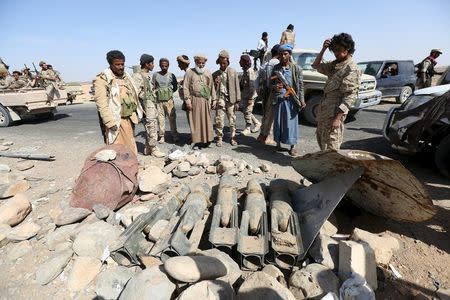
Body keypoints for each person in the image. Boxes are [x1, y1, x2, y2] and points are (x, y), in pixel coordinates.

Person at [312, 33, 360, 151]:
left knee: (332, 145)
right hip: (325, 109)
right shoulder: (335, 64)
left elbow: (349, 97)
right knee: (322, 140)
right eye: (334, 50)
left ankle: (332, 169)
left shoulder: (351, 68)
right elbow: (316, 65)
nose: (336, 53)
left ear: (347, 49)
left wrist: (338, 118)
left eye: (338, 50)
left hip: (335, 113)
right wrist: (323, 49)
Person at [94, 50, 143, 155]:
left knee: (130, 146)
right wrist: (109, 122)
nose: (121, 67)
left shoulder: (126, 77)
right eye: (117, 64)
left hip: (128, 119)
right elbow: (101, 104)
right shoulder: (102, 79)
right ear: (110, 64)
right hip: (115, 120)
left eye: (122, 64)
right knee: (116, 149)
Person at [270, 44, 305, 156]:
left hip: (292, 101)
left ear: (290, 55)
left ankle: (292, 146)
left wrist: (302, 100)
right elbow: (270, 84)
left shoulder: (296, 69)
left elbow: (300, 86)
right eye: (281, 54)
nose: (283, 56)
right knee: (279, 123)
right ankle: (278, 144)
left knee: (291, 124)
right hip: (279, 100)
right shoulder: (276, 69)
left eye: (285, 54)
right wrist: (275, 87)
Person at [131, 54, 165, 157]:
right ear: (146, 64)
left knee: (151, 126)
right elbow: (135, 93)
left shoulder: (148, 75)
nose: (153, 65)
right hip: (146, 106)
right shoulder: (137, 76)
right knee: (151, 126)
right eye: (152, 63)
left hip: (151, 104)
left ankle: (147, 148)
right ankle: (154, 149)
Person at [182, 54, 216, 149]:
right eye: (199, 63)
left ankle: (206, 141)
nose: (201, 65)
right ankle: (196, 141)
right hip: (194, 100)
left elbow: (212, 87)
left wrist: (214, 99)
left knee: (206, 121)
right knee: (195, 121)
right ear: (195, 62)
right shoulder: (190, 72)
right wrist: (187, 100)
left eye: (203, 63)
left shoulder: (208, 72)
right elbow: (185, 87)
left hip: (205, 101)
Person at [212, 50, 241, 146]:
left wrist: (237, 101)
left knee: (232, 120)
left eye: (224, 63)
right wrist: (216, 83)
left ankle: (232, 138)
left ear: (228, 62)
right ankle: (219, 138)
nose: (223, 65)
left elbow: (237, 87)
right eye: (221, 63)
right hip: (220, 99)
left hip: (231, 100)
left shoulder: (233, 72)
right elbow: (212, 89)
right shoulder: (215, 74)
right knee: (219, 120)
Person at [256, 44, 280, 145]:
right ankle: (265, 137)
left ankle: (262, 135)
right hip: (273, 93)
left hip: (265, 93)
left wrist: (259, 92)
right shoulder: (278, 63)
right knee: (271, 117)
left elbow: (257, 81)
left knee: (266, 115)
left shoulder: (265, 64)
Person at [153, 58, 179, 143]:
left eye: (166, 66)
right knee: (160, 120)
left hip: (169, 101)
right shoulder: (155, 75)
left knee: (172, 119)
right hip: (159, 101)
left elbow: (175, 87)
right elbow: (153, 86)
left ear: (168, 66)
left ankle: (174, 135)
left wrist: (168, 93)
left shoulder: (171, 75)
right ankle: (161, 136)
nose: (164, 67)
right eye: (162, 66)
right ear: (160, 65)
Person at [240, 54, 261, 135]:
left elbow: (252, 86)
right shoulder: (245, 71)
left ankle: (248, 128)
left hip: (250, 96)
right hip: (246, 95)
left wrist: (250, 98)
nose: (239, 62)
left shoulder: (250, 71)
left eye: (241, 61)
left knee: (247, 111)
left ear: (244, 62)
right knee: (246, 111)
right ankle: (257, 123)